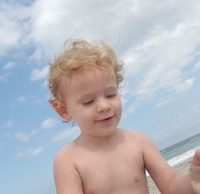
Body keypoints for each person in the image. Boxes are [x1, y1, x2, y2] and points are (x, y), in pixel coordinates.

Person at [48, 38, 200, 194]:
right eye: (88, 101)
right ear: (64, 110)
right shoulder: (67, 160)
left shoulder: (139, 142)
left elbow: (171, 186)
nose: (104, 106)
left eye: (110, 94)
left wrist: (192, 182)